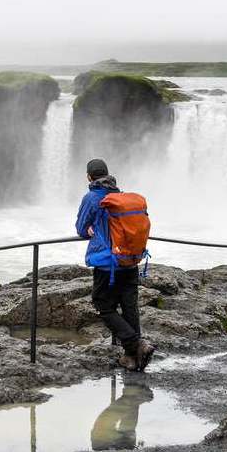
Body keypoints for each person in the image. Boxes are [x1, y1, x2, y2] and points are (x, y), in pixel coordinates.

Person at [75, 158, 155, 371]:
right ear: (108, 175)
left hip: (107, 263)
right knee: (129, 307)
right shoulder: (119, 196)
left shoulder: (92, 198)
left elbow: (81, 228)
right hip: (130, 260)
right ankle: (133, 358)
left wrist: (90, 228)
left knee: (103, 305)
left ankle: (135, 344)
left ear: (89, 177)